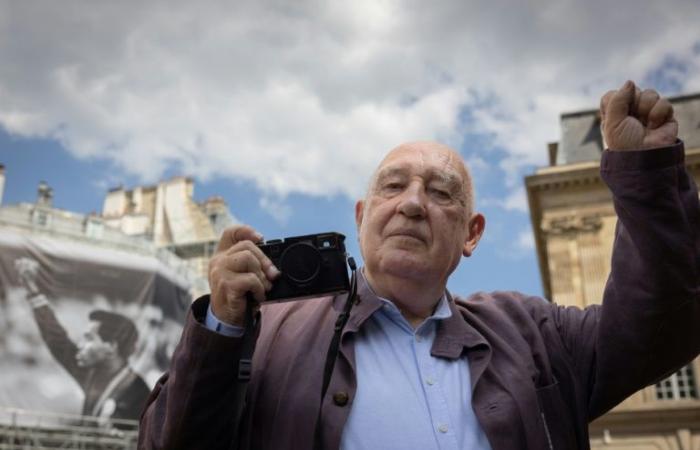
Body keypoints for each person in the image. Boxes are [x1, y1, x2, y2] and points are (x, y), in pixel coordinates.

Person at [138, 82, 700, 449]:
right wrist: (219, 329)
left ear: (472, 235)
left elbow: (662, 325)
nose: (411, 203)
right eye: (393, 186)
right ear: (363, 216)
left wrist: (647, 175)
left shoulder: (537, 336)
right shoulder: (267, 334)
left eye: (440, 192)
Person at [16, 257, 150, 423]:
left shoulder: (140, 394)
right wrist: (32, 290)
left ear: (111, 347)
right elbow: (57, 340)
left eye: (88, 339)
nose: (80, 345)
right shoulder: (91, 371)